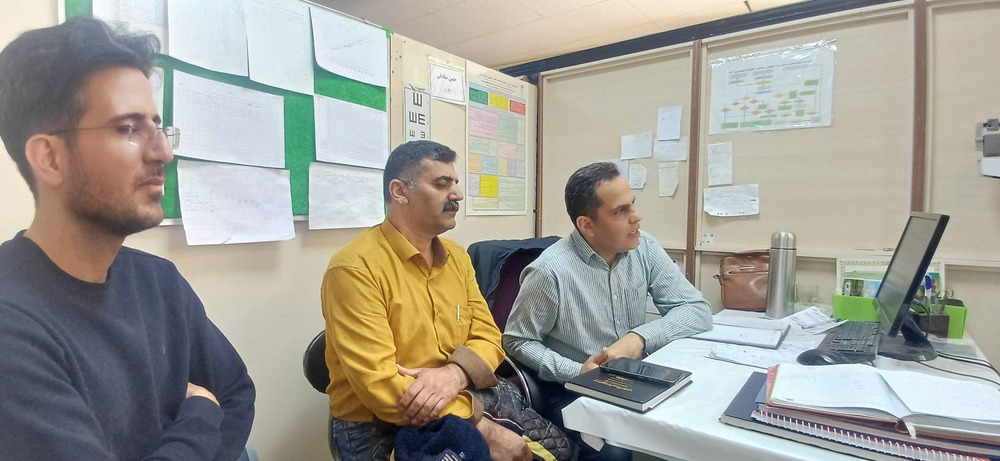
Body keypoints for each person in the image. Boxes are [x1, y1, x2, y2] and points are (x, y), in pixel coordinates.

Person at [0, 18, 255, 460]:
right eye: (127, 129)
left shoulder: (160, 282)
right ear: (50, 158)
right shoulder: (13, 326)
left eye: (157, 126)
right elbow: (214, 406)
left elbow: (235, 391)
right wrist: (199, 414)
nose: (163, 152)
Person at [322, 141, 533, 461]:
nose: (457, 194)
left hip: (459, 395)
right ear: (399, 191)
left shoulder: (458, 257)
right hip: (381, 424)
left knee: (560, 450)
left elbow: (490, 338)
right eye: (441, 184)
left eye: (455, 183)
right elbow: (381, 388)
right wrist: (483, 428)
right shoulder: (354, 268)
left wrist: (454, 375)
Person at [503, 161, 713, 460]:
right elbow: (517, 341)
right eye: (620, 211)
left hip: (634, 378)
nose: (636, 217)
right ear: (587, 225)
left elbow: (696, 309)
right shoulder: (549, 271)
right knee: (615, 450)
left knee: (698, 420)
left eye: (633, 205)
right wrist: (577, 372)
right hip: (573, 388)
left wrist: (638, 338)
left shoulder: (644, 247)